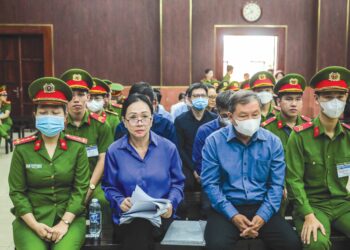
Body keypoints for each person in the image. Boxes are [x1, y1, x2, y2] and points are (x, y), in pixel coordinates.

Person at [201, 90, 300, 250]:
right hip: (226, 208)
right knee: (217, 244)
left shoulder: (272, 142)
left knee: (291, 243)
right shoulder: (214, 142)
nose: (250, 120)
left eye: (255, 114)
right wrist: (233, 215)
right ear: (231, 117)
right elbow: (211, 185)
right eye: (243, 116)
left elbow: (276, 185)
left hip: (262, 206)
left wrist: (262, 216)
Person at [9, 77, 90, 249]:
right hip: (31, 220)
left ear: (65, 116)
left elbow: (80, 189)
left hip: (70, 219)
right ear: (35, 115)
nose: (49, 117)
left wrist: (64, 223)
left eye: (55, 113)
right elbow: (17, 192)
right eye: (43, 112)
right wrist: (35, 225)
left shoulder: (77, 147)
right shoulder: (23, 149)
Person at [102, 93, 185, 250]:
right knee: (138, 228)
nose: (139, 122)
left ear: (152, 120)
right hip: (129, 218)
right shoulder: (114, 151)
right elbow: (109, 186)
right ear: (124, 122)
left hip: (162, 216)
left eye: (145, 116)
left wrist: (171, 204)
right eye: (133, 117)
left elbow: (178, 183)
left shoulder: (168, 148)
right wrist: (120, 201)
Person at [286, 66, 350, 250]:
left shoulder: (348, 135)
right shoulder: (299, 136)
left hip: (343, 204)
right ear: (316, 99)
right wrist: (307, 214)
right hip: (313, 205)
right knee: (316, 244)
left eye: (340, 96)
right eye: (328, 97)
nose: (335, 102)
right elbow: (293, 180)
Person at [60, 69, 113, 224]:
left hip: (94, 180)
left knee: (102, 201)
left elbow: (103, 159)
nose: (76, 99)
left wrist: (90, 188)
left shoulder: (101, 125)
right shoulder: (58, 125)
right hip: (65, 181)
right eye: (72, 94)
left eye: (81, 94)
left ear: (88, 97)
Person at [262, 73, 310, 216]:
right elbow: (264, 164)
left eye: (298, 99)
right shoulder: (266, 129)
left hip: (305, 185)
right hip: (277, 186)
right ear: (278, 102)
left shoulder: (310, 127)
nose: (294, 104)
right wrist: (280, 184)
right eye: (288, 99)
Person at [174, 82, 217, 191]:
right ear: (189, 99)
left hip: (210, 162)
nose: (200, 98)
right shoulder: (180, 120)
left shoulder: (214, 119)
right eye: (196, 96)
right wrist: (194, 169)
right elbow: (180, 148)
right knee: (187, 184)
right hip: (188, 163)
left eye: (203, 96)